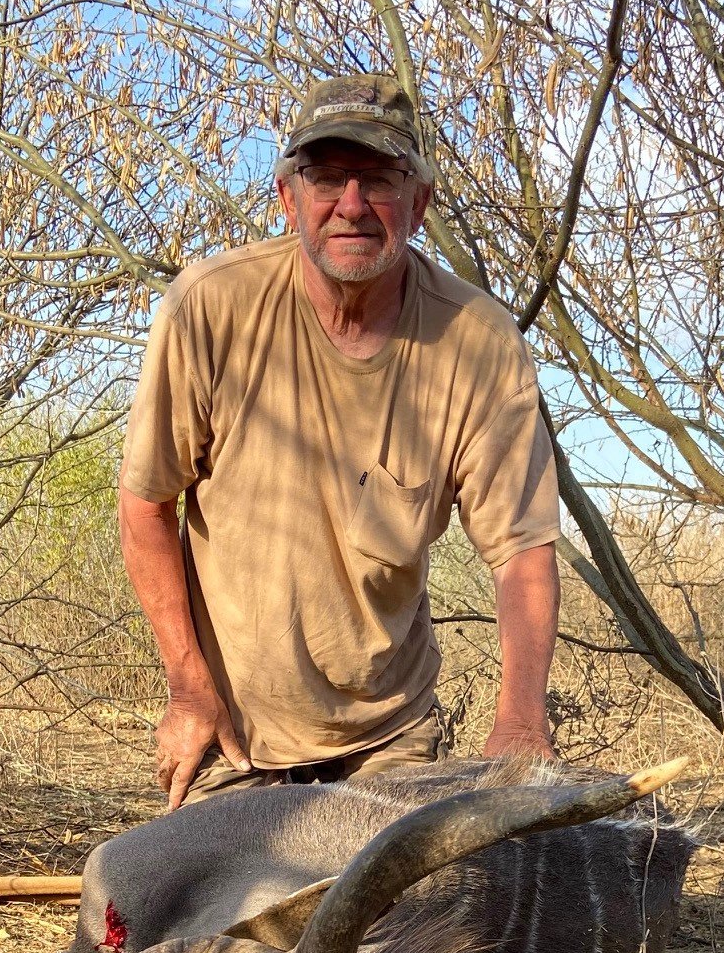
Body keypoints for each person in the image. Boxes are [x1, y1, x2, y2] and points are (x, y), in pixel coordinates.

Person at [119, 71, 561, 808]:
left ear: (417, 203)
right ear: (289, 198)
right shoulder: (208, 308)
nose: (351, 205)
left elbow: (522, 548)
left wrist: (520, 719)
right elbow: (145, 508)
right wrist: (190, 689)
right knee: (225, 917)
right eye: (328, 177)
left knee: (414, 914)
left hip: (390, 736)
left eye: (378, 179)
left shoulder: (481, 342)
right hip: (234, 732)